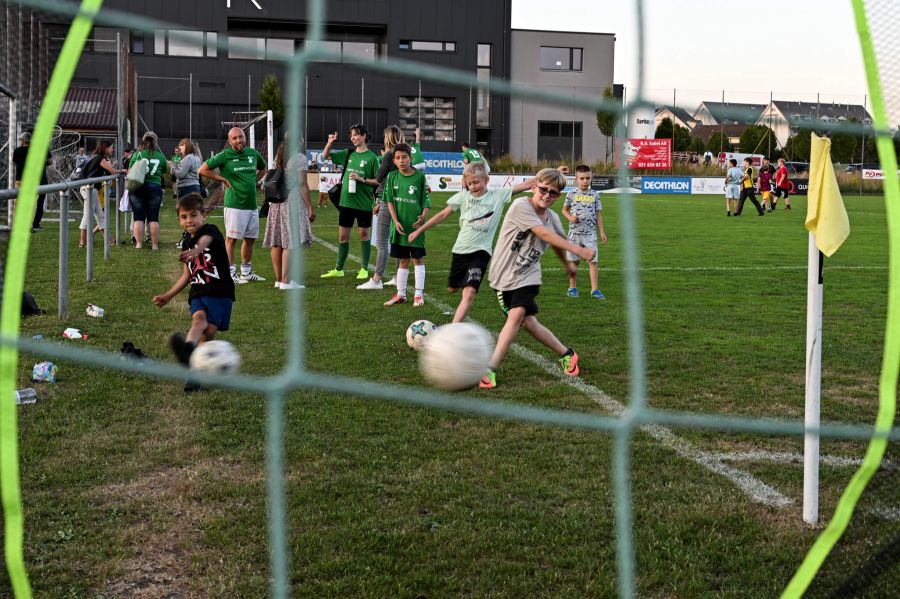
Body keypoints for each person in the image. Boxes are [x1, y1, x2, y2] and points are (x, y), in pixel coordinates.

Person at [478, 168, 595, 389]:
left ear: (559, 196)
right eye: (543, 189)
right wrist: (578, 251)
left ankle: (489, 370)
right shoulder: (521, 206)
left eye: (553, 193)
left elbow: (556, 238)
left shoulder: (552, 218)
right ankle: (567, 354)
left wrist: (568, 265)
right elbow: (544, 234)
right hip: (503, 276)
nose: (547, 195)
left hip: (528, 276)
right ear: (534, 187)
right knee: (528, 323)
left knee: (516, 316)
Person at [408, 161, 546, 322]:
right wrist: (419, 230)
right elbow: (442, 215)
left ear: (486, 180)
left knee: (469, 292)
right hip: (460, 250)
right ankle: (454, 286)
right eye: (469, 183)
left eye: (476, 182)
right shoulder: (463, 197)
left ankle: (453, 328)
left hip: (481, 252)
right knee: (452, 288)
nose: (473, 186)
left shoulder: (498, 195)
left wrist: (550, 174)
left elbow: (527, 184)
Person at [152, 193, 235, 392]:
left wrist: (197, 251)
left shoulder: (211, 231)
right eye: (184, 217)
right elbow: (187, 275)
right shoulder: (186, 244)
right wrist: (168, 296)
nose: (189, 220)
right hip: (198, 291)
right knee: (198, 321)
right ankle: (187, 353)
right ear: (179, 219)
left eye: (193, 215)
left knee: (208, 334)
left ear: (203, 215)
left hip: (219, 292)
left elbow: (206, 240)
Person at [199, 127, 268, 283]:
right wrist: (222, 179)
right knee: (231, 240)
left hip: (251, 205)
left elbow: (263, 168)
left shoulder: (253, 153)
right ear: (229, 141)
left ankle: (246, 272)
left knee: (250, 239)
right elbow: (202, 169)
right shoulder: (225, 155)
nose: (239, 141)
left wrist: (254, 181)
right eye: (235, 138)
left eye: (241, 137)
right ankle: (230, 273)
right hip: (234, 205)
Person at [319, 124, 379, 280]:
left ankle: (364, 268)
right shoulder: (348, 154)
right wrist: (330, 142)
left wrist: (362, 179)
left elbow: (378, 181)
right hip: (346, 203)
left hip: (364, 204)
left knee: (364, 235)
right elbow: (325, 156)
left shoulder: (372, 158)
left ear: (364, 136)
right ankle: (339, 269)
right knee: (343, 238)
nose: (353, 137)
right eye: (352, 135)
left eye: (357, 134)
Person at [379, 144, 431, 307]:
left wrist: (422, 217)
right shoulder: (392, 177)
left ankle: (418, 295)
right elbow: (389, 200)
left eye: (404, 157)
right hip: (399, 228)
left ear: (411, 158)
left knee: (417, 259)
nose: (401, 161)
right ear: (393, 161)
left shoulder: (419, 177)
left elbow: (426, 201)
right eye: (398, 158)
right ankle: (401, 294)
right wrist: (395, 221)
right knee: (402, 260)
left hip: (415, 227)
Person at [357, 125, 407, 290]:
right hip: (402, 200)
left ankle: (377, 279)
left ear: (388, 138)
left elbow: (379, 178)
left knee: (382, 242)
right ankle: (398, 277)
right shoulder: (406, 155)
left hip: (388, 200)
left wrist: (363, 180)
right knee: (398, 241)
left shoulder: (389, 155)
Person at [262, 141, 316, 290]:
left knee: (277, 241)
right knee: (290, 241)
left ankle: (279, 280)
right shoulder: (299, 157)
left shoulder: (279, 156)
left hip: (276, 202)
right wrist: (310, 206)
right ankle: (286, 281)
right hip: (291, 201)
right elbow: (302, 184)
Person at [562, 164, 607, 299]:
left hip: (590, 234)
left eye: (587, 178)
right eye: (582, 178)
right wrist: (570, 217)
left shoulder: (595, 195)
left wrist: (602, 232)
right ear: (576, 179)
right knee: (574, 261)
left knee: (593, 261)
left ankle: (595, 290)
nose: (585, 181)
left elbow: (598, 214)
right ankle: (572, 287)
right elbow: (564, 210)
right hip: (574, 234)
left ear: (591, 178)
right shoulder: (571, 194)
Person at [80, 140, 126, 248]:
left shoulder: (96, 157)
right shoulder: (99, 158)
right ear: (105, 148)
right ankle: (82, 242)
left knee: (100, 216)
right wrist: (123, 171)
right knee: (87, 216)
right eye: (111, 147)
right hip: (89, 189)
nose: (112, 149)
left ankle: (110, 240)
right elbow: (112, 171)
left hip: (93, 189)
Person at [129, 132, 169, 249]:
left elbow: (130, 169)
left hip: (138, 187)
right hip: (155, 187)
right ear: (155, 142)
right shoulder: (160, 156)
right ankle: (154, 245)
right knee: (153, 218)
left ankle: (139, 244)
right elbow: (164, 171)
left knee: (138, 217)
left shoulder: (138, 154)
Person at [11, 131, 52, 232]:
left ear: (23, 140)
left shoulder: (17, 151)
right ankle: (30, 224)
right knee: (33, 204)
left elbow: (15, 162)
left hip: (19, 179)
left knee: (18, 202)